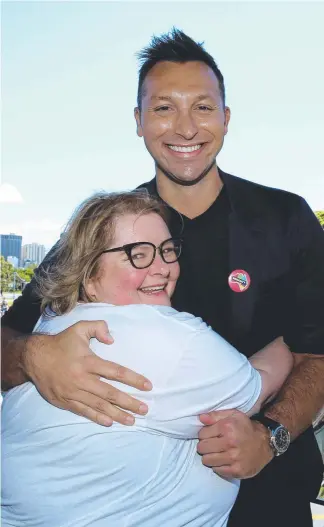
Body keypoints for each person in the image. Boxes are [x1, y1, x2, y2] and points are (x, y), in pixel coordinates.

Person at [1, 28, 324, 527]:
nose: (185, 128)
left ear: (226, 118)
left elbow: (316, 353)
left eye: (202, 107)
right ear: (138, 121)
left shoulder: (285, 218)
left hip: (269, 497)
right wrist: (32, 353)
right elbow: (9, 337)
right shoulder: (101, 231)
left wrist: (270, 436)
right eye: (163, 108)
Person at [1, 191, 293, 527]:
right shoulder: (162, 334)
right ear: (89, 276)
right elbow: (261, 381)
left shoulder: (53, 322)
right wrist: (300, 331)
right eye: (137, 255)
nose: (163, 268)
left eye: (168, 251)